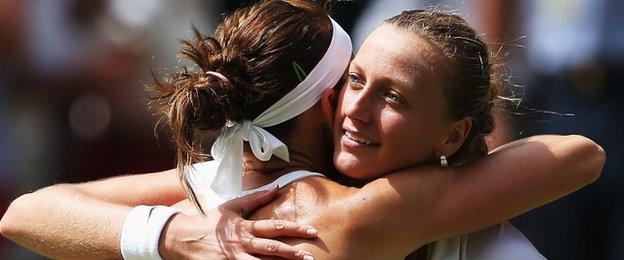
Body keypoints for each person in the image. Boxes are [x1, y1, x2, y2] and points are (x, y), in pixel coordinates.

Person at [0, 1, 605, 259]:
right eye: (353, 81)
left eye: (390, 95)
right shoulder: (357, 212)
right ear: (321, 103)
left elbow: (27, 212)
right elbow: (580, 154)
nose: (357, 108)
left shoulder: (212, 190)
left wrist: (177, 234)